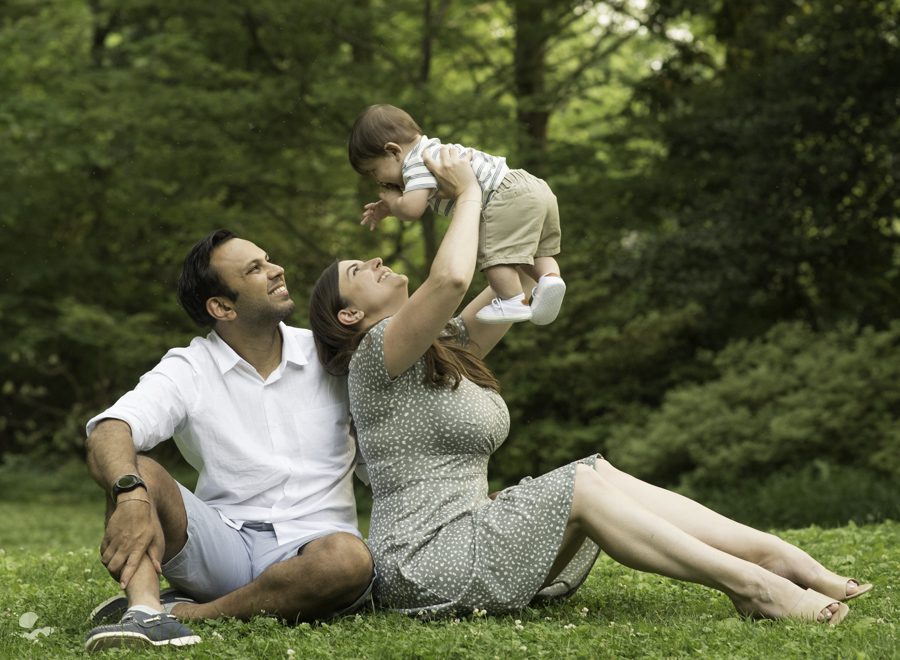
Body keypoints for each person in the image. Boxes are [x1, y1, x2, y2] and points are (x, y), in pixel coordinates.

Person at [309, 146, 871, 624]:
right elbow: (452, 277)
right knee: (578, 483)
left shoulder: (443, 347)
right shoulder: (374, 356)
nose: (375, 258)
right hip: (424, 560)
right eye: (358, 271)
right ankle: (754, 587)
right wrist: (467, 194)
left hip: (472, 535)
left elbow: (521, 282)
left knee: (595, 471)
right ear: (350, 316)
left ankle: (776, 557)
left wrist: (502, 191)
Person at [82, 230, 375, 652]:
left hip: (314, 548)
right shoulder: (190, 367)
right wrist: (129, 496)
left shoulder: (330, 355)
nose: (277, 270)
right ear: (222, 307)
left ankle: (190, 613)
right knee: (137, 470)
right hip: (223, 544)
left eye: (268, 259)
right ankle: (145, 612)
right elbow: (110, 429)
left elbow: (382, 452)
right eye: (255, 269)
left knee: (348, 560)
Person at [348, 103, 566, 326]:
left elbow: (412, 209)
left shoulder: (415, 163)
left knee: (494, 255)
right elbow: (416, 198)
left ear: (393, 151)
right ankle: (550, 279)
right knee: (535, 253)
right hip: (533, 188)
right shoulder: (430, 151)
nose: (377, 180)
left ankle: (511, 300)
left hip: (504, 197)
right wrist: (388, 208)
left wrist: (393, 202)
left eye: (374, 170)